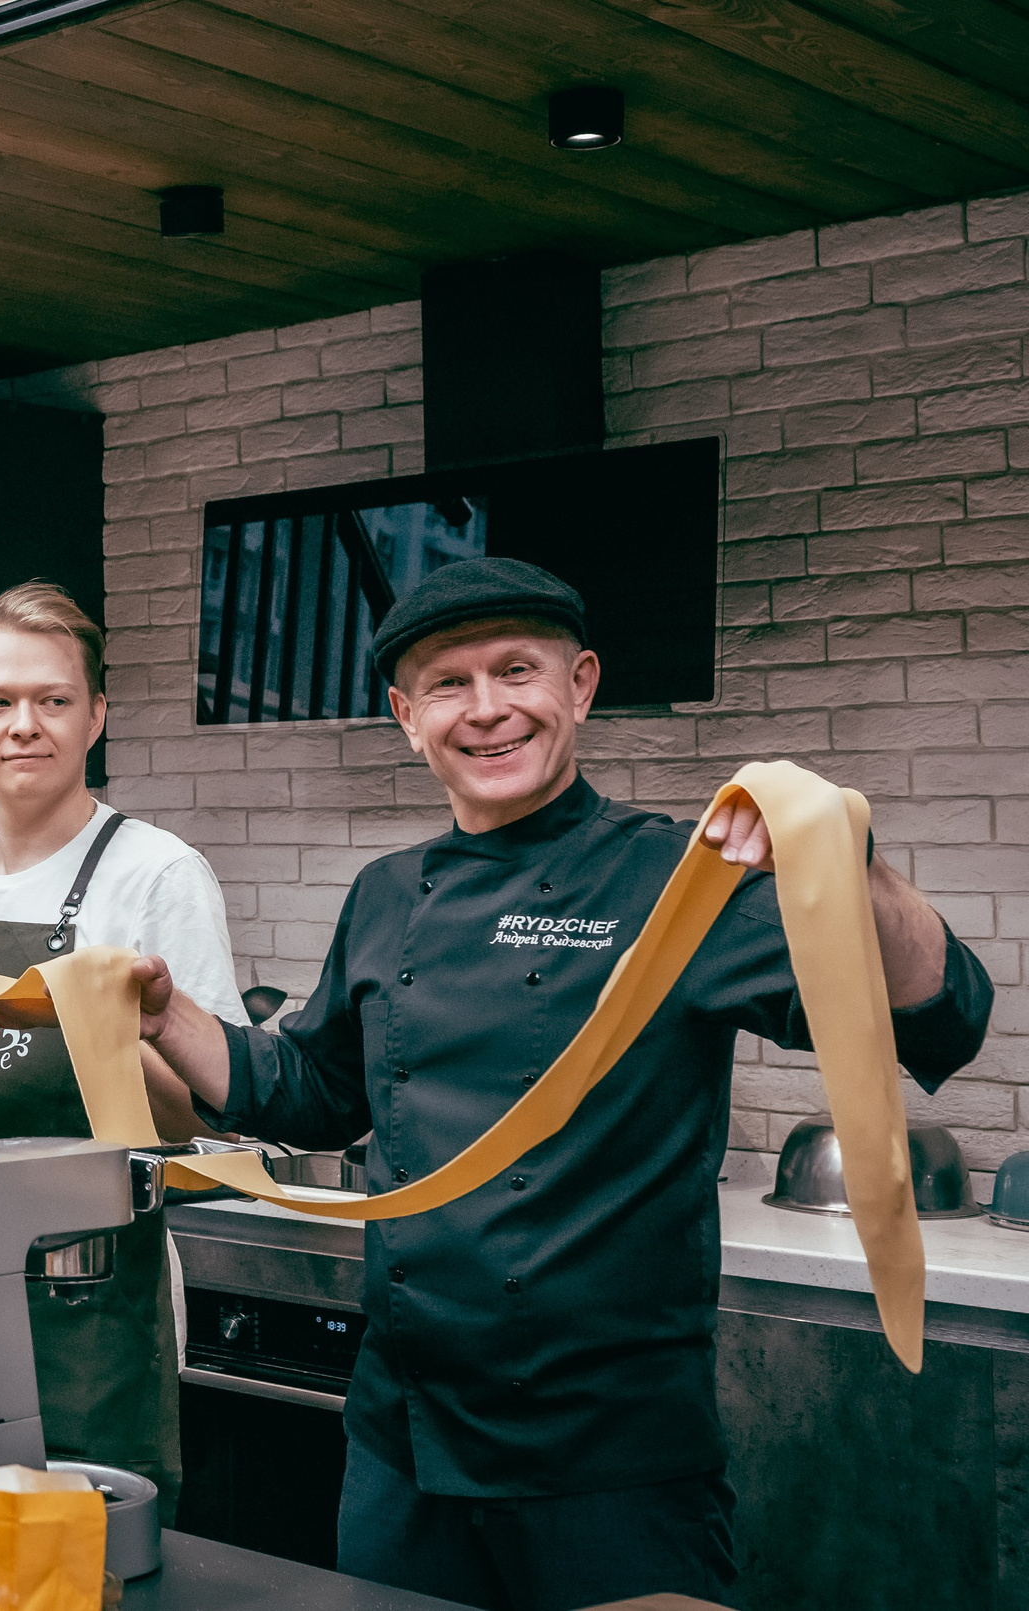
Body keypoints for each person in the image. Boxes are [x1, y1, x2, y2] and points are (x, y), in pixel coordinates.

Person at [137, 557, 993, 1611]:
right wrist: (160, 1014)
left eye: (516, 671)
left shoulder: (678, 880)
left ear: (579, 685)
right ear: (406, 715)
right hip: (400, 1448)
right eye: (448, 684)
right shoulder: (385, 892)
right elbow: (313, 1092)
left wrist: (845, 853)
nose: (486, 708)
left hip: (609, 1464)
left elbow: (943, 1016)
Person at [0, 580, 248, 1499]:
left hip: (91, 1305)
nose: (26, 723)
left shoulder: (158, 875)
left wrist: (82, 1020)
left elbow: (208, 1120)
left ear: (95, 714)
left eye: (53, 699)